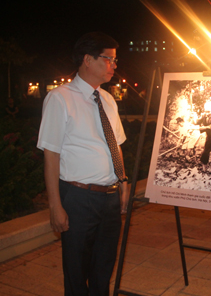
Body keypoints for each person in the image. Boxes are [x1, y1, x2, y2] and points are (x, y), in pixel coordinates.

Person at [37, 32, 128, 296]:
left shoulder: (108, 100)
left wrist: (122, 181)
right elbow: (51, 154)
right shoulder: (60, 98)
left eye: (115, 59)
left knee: (103, 270)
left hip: (109, 198)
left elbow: (116, 145)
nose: (114, 64)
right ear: (88, 60)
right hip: (78, 197)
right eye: (108, 59)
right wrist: (55, 206)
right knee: (77, 273)